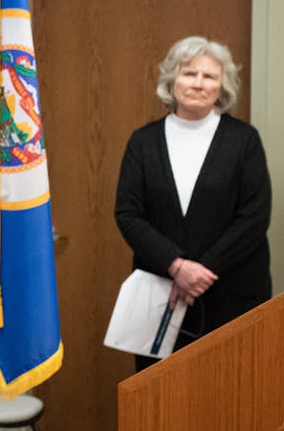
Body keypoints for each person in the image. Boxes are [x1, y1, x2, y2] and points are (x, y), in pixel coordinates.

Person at [115, 36, 272, 371]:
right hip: (160, 295)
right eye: (189, 73)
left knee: (233, 395)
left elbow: (254, 217)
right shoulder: (143, 142)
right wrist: (176, 266)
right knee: (159, 401)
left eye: (210, 76)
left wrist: (199, 273)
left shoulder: (245, 141)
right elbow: (129, 214)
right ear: (172, 80)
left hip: (232, 295)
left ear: (223, 86)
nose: (199, 84)